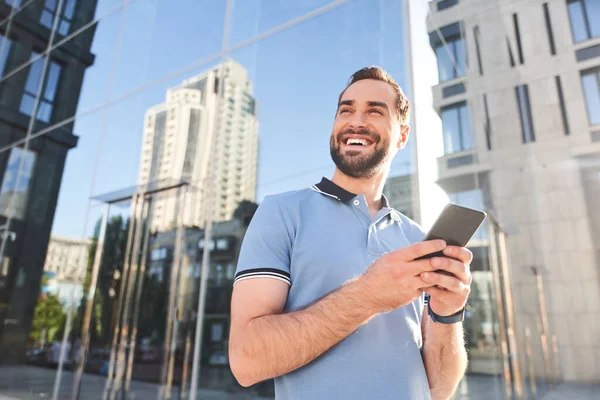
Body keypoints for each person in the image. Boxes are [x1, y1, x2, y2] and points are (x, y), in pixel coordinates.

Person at [228, 66, 472, 400]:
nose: (356, 121)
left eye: (374, 110)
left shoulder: (419, 241)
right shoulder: (281, 212)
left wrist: (447, 313)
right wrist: (368, 295)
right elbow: (245, 360)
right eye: (346, 110)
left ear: (402, 135)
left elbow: (439, 389)